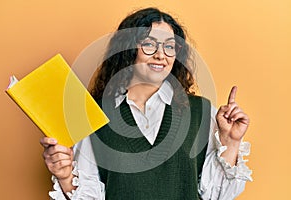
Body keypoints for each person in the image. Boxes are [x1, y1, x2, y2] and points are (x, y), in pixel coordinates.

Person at [40, 7, 252, 200]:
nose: (161, 55)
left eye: (170, 46)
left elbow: (218, 195)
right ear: (128, 49)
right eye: (150, 44)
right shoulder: (94, 115)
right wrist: (65, 176)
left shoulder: (200, 112)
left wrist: (231, 141)